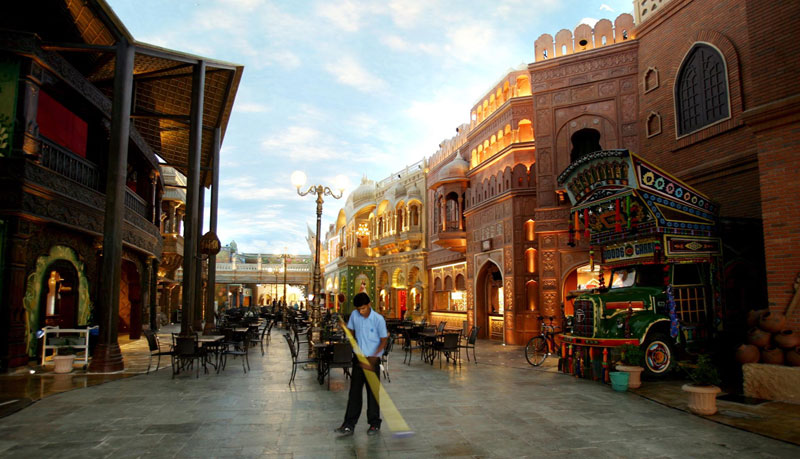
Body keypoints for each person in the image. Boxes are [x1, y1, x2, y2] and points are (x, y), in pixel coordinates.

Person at [335, 292, 388, 437]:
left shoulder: (378, 319)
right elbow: (352, 333)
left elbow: (384, 340)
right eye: (359, 309)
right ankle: (349, 425)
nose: (361, 312)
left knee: (373, 394)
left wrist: (374, 358)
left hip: (372, 361)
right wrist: (345, 328)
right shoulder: (355, 315)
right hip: (359, 360)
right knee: (354, 393)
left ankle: (374, 424)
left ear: (369, 305)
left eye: (363, 308)